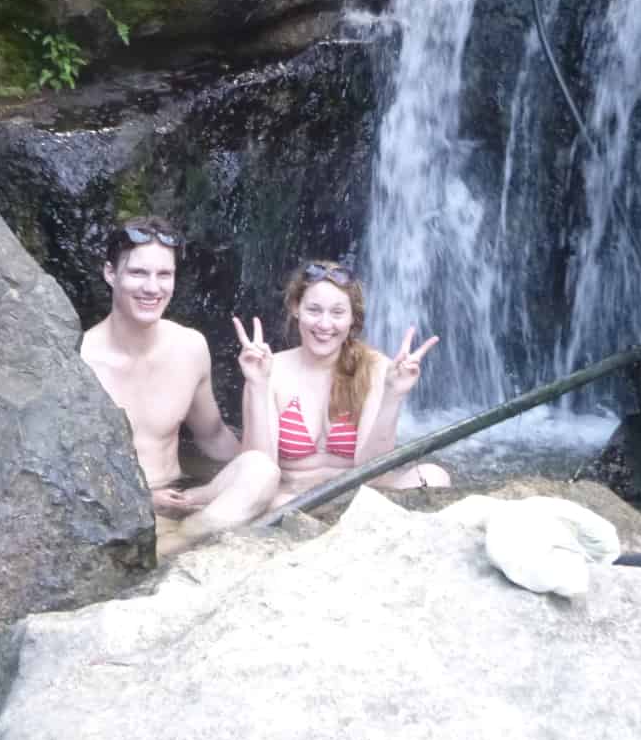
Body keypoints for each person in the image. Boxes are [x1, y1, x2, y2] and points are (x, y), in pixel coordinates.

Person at [80, 216, 278, 556]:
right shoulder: (79, 360)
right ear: (111, 274)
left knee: (261, 471)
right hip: (117, 512)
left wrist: (258, 385)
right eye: (138, 273)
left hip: (184, 501)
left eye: (164, 275)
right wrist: (141, 497)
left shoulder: (190, 347)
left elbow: (214, 438)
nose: (152, 288)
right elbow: (69, 471)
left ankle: (178, 542)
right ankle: (178, 546)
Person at [233, 259, 451, 508]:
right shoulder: (268, 370)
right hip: (292, 497)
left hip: (360, 494)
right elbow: (257, 469)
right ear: (296, 308)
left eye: (337, 313)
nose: (325, 324)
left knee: (434, 476)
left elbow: (373, 472)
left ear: (351, 318)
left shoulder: (377, 368)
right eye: (314, 310)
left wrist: (393, 395)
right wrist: (257, 386)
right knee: (274, 501)